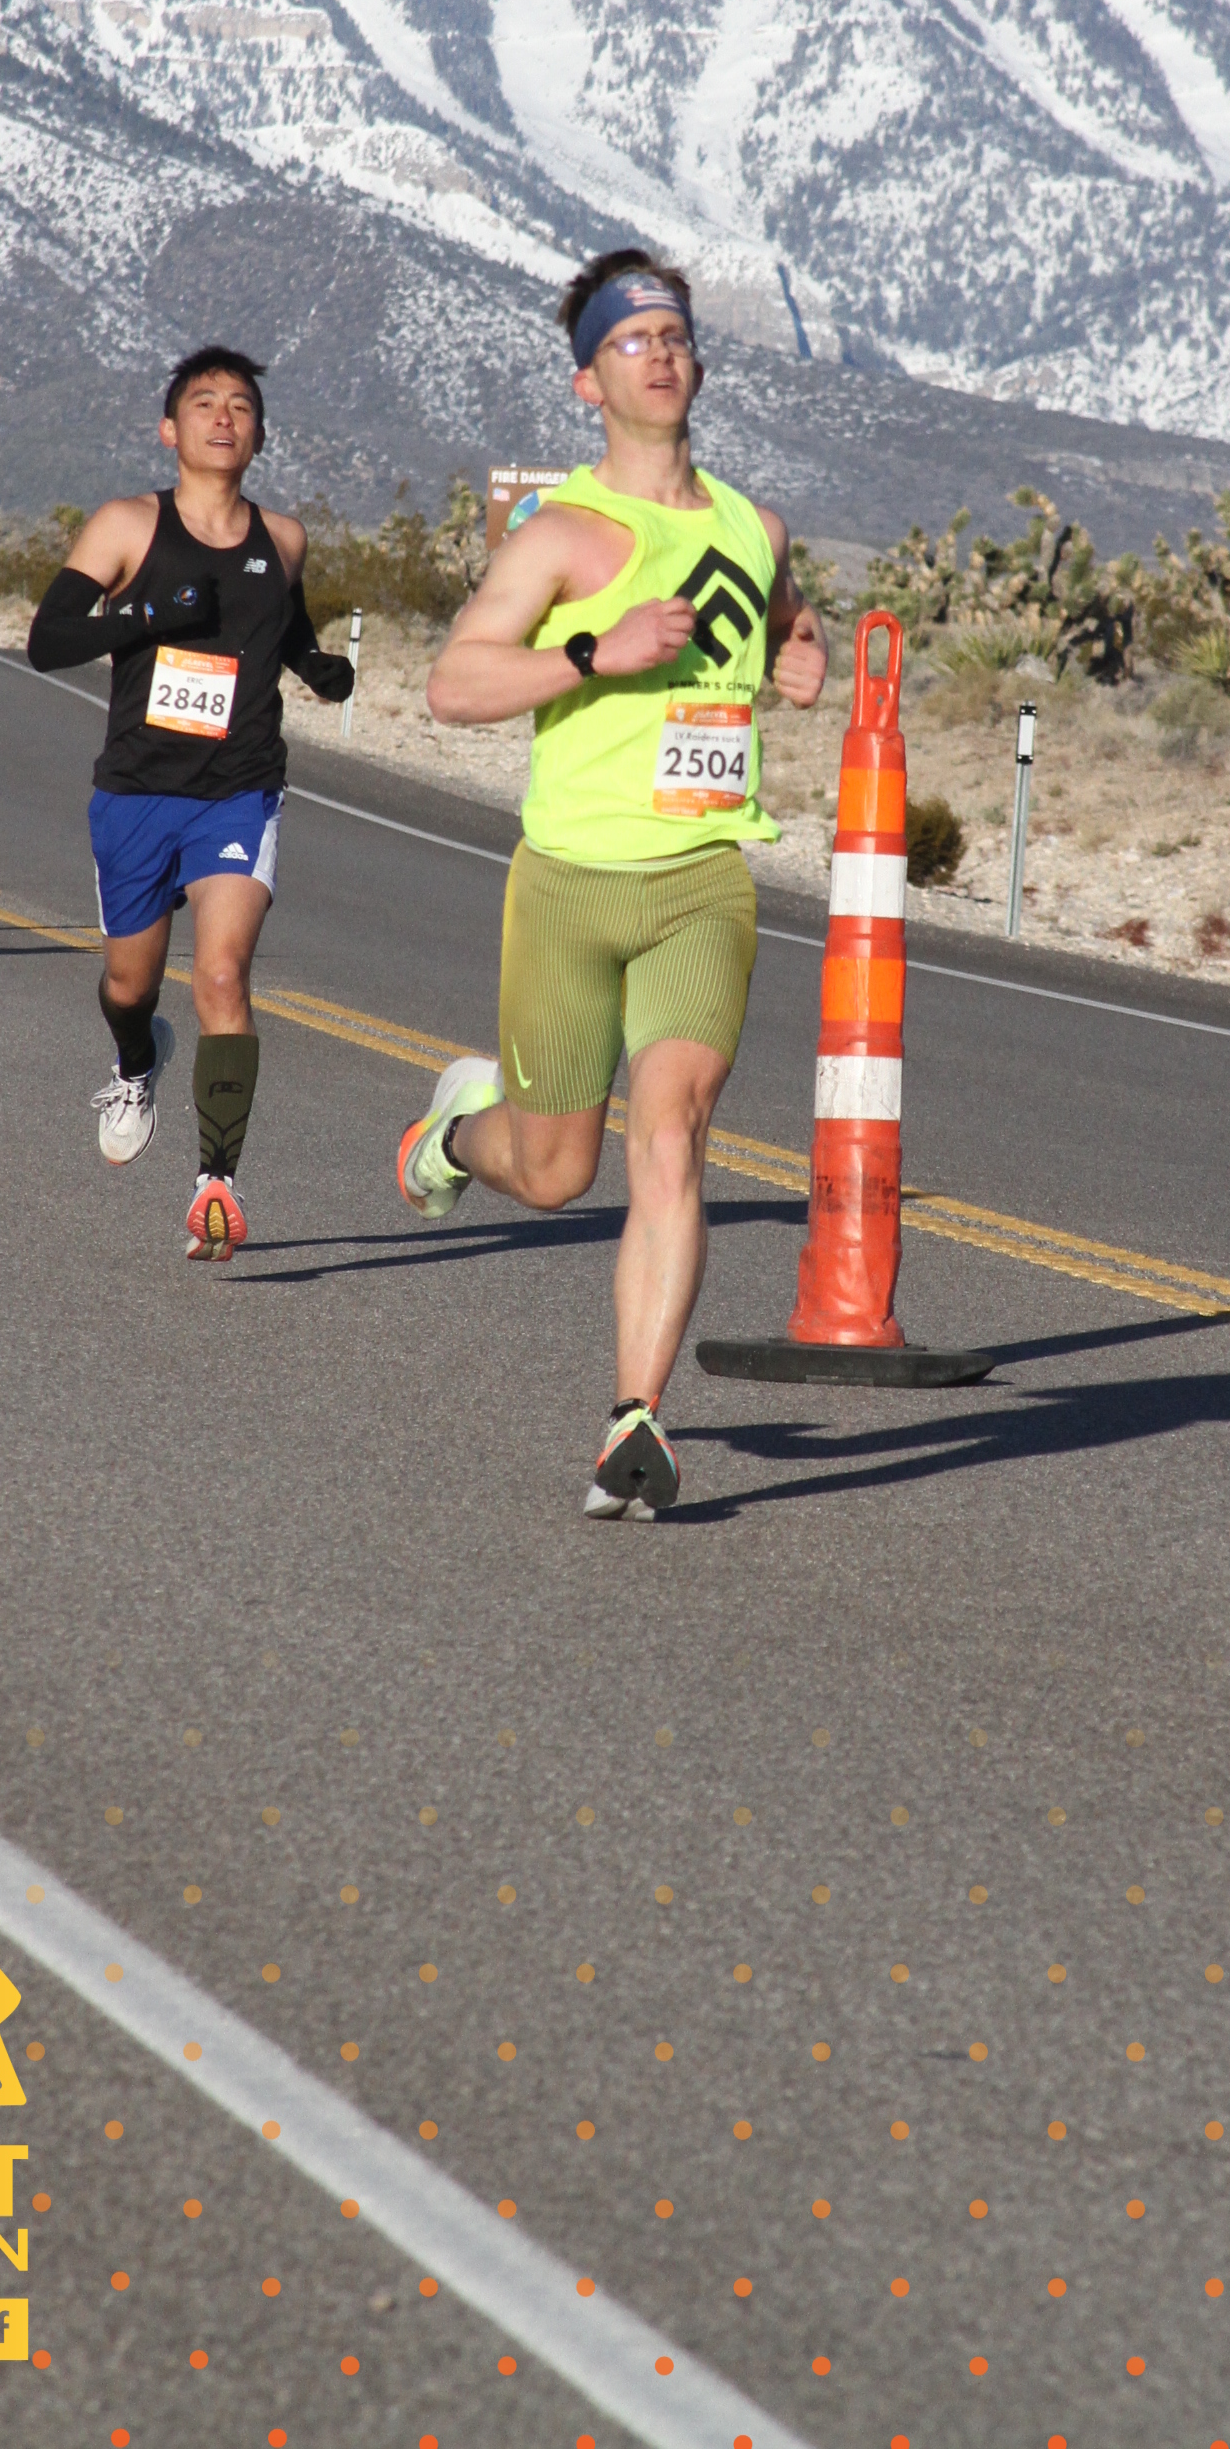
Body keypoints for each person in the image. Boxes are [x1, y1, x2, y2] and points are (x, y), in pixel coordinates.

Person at [396, 247, 829, 1520]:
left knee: (674, 1133)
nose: (662, 354)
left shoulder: (754, 528)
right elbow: (453, 685)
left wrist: (801, 656)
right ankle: (450, 1135)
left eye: (676, 335)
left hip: (704, 879)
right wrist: (596, 650)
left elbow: (786, 618)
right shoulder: (565, 535)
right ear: (588, 380)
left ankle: (634, 1417)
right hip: (571, 884)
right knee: (554, 1174)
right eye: (633, 340)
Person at [26, 346, 353, 1263]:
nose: (223, 417)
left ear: (260, 433)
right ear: (169, 430)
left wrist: (315, 665)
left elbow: (279, 624)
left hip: (238, 789)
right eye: (204, 403)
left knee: (222, 979)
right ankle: (137, 1062)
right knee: (130, 988)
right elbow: (48, 640)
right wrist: (147, 615)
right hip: (137, 791)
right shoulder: (127, 524)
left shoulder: (282, 539)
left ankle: (217, 1183)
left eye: (241, 405)